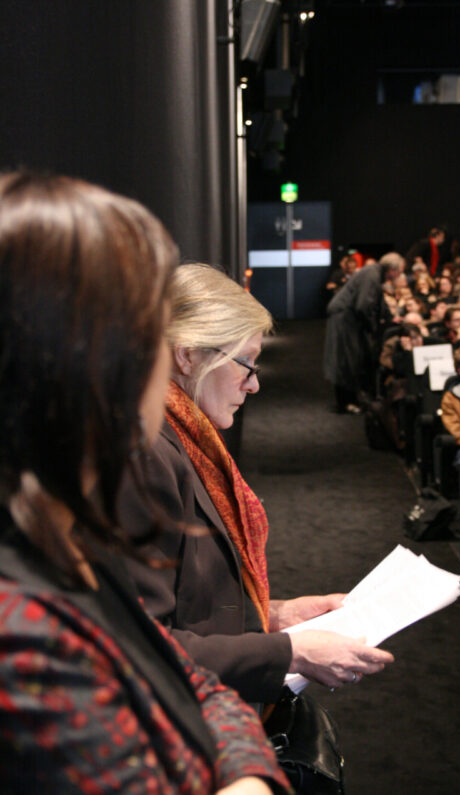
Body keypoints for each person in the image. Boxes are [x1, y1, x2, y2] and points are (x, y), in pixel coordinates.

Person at [0, 172, 290, 795]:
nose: (161, 350)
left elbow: (176, 678)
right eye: (143, 326)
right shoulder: (21, 620)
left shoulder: (55, 532)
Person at [119, 263, 394, 709]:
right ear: (187, 354)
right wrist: (291, 652)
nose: (254, 384)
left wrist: (273, 616)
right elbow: (135, 647)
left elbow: (188, 600)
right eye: (246, 364)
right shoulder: (144, 453)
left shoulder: (180, 435)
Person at [324, 251, 405, 411]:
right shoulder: (372, 275)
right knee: (346, 360)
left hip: (347, 318)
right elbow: (363, 306)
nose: (401, 274)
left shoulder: (374, 273)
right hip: (344, 319)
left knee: (349, 359)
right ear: (393, 270)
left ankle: (350, 401)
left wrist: (387, 319)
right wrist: (372, 328)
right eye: (400, 271)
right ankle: (346, 404)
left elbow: (374, 302)